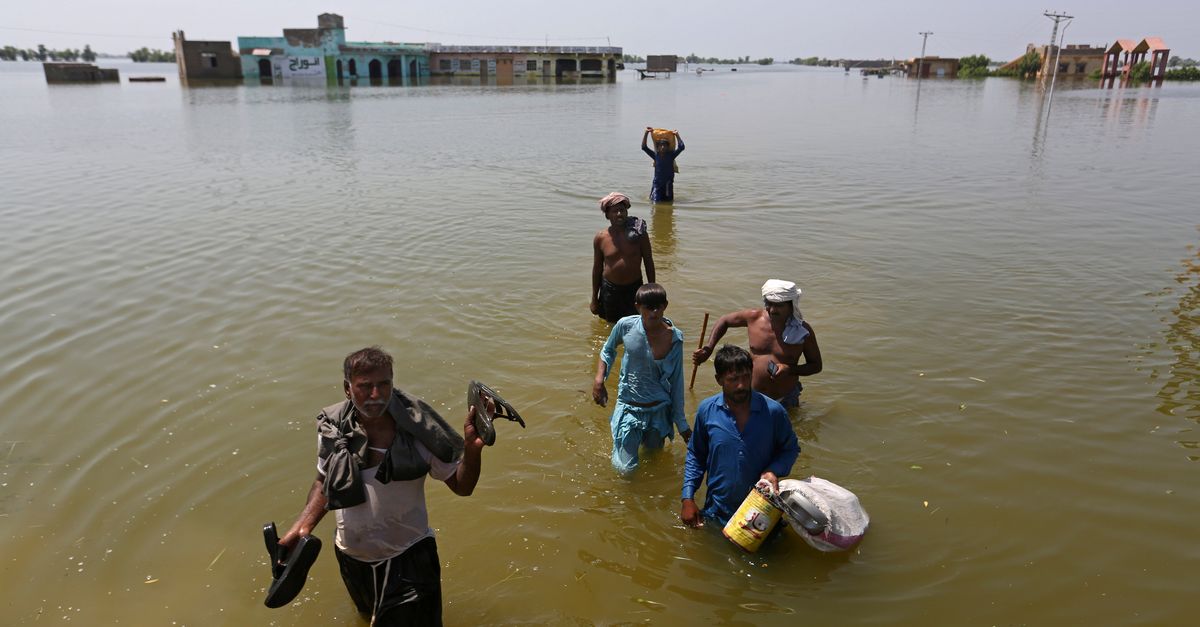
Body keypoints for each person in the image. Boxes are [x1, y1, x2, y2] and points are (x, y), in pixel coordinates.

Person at [276, 346, 487, 626]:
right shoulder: (335, 428)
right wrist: (302, 528)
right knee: (368, 618)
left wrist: (472, 450)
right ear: (348, 389)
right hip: (352, 557)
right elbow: (324, 481)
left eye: (384, 384)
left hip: (408, 557)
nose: (376, 395)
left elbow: (462, 486)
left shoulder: (419, 431)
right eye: (365, 387)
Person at [681, 344, 800, 527]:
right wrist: (687, 498)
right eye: (733, 379)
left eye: (746, 377)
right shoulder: (707, 410)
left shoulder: (774, 412)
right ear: (719, 380)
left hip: (761, 511)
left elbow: (790, 449)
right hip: (717, 511)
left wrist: (773, 470)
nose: (742, 385)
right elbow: (696, 455)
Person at [592, 283, 690, 474]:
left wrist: (682, 424)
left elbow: (677, 382)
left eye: (657, 307)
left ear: (665, 306)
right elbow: (608, 349)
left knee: (653, 463)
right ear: (638, 306)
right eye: (648, 308)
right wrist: (599, 380)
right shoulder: (626, 326)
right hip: (629, 407)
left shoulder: (675, 338)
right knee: (625, 470)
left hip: (659, 411)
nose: (653, 313)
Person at [692, 279, 822, 407]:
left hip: (786, 398)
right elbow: (724, 320)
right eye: (769, 304)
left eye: (778, 305)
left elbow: (816, 366)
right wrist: (708, 349)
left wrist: (790, 369)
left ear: (791, 305)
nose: (772, 310)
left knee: (789, 427)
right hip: (751, 395)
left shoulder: (802, 331)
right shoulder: (754, 318)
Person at [591, 192, 655, 323]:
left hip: (634, 289)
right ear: (607, 215)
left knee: (635, 324)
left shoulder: (639, 235)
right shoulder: (601, 238)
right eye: (615, 211)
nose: (619, 214)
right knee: (610, 325)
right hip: (609, 290)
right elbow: (597, 269)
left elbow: (648, 262)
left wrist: (652, 290)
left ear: (627, 212)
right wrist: (594, 299)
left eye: (622, 210)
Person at [641, 127, 685, 202]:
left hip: (668, 184)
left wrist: (677, 135)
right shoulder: (655, 156)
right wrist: (646, 133)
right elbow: (644, 147)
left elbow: (681, 147)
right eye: (661, 145)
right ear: (657, 147)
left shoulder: (671, 156)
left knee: (669, 202)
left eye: (665, 145)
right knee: (655, 201)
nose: (663, 147)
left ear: (668, 147)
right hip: (657, 184)